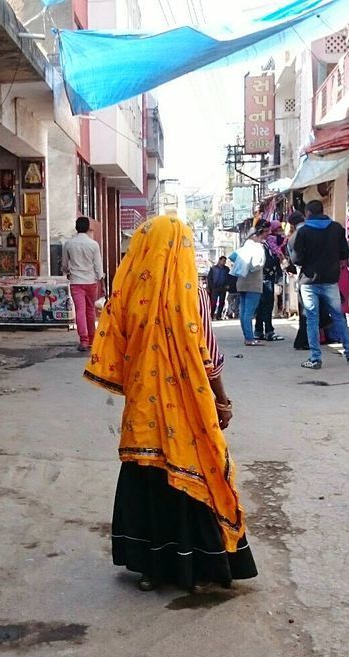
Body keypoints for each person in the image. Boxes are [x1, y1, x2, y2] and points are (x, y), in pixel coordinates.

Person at [85, 215, 257, 593]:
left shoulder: (127, 293)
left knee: (147, 479)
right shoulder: (191, 292)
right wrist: (222, 401)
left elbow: (114, 347)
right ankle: (195, 568)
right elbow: (205, 354)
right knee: (193, 475)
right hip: (187, 407)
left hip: (142, 413)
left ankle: (150, 567)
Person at [293, 200, 349, 369]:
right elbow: (344, 252)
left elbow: (297, 259)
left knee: (312, 319)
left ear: (308, 213)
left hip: (309, 281)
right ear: (322, 211)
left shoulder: (304, 231)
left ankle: (315, 358)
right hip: (331, 280)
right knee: (338, 317)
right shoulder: (336, 228)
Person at [65, 217, 104, 351]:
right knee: (90, 310)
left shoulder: (69, 244)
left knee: (80, 311)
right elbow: (98, 266)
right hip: (91, 281)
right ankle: (92, 339)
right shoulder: (93, 245)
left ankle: (84, 340)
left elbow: (65, 265)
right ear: (88, 228)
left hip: (76, 282)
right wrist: (101, 281)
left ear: (76, 228)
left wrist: (66, 271)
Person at [233, 222, 268, 346]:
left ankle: (247, 336)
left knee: (243, 312)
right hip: (253, 283)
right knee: (249, 312)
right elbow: (257, 264)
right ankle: (249, 338)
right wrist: (254, 267)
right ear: (257, 236)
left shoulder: (244, 247)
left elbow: (232, 257)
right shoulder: (258, 247)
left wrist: (243, 266)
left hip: (241, 282)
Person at [256, 222, 285, 341]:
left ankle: (259, 330)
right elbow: (266, 262)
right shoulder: (261, 245)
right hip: (265, 278)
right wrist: (277, 260)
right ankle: (268, 331)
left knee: (262, 306)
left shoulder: (265, 243)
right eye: (267, 231)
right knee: (267, 306)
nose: (270, 233)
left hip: (265, 278)